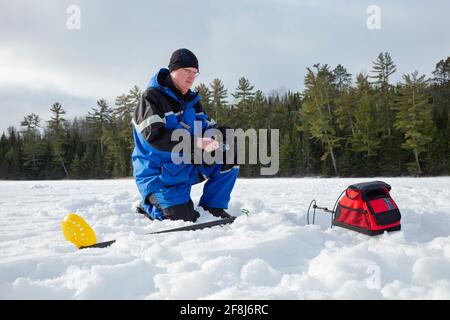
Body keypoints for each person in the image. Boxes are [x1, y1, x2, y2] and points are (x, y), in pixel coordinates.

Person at [132, 48, 239, 222]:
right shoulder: (151, 98)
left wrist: (222, 133)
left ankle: (213, 207)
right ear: (173, 71)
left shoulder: (192, 102)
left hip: (184, 166)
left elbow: (205, 128)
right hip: (157, 175)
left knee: (229, 151)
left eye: (195, 73)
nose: (191, 77)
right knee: (182, 218)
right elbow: (155, 137)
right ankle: (148, 205)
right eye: (186, 71)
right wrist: (196, 142)